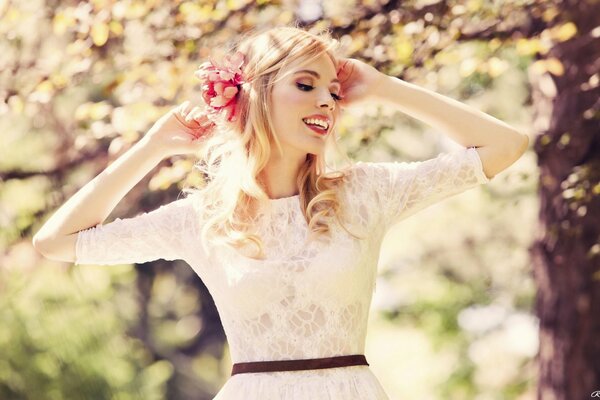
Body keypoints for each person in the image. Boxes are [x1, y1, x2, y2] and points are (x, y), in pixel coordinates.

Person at [32, 25, 528, 399]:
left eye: (334, 91)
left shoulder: (366, 192)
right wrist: (151, 147)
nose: (328, 102)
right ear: (258, 94)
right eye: (307, 84)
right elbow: (56, 242)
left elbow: (506, 145)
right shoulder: (203, 219)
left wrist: (384, 88)